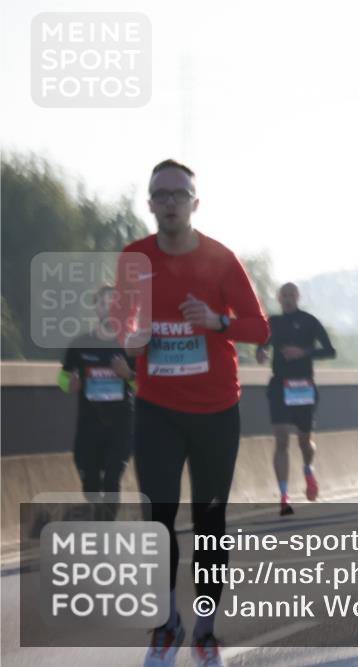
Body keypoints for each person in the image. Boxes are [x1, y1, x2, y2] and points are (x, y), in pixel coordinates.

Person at [114, 159, 271, 667]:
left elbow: (259, 329)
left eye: (180, 194)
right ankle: (166, 624)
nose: (171, 202)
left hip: (215, 410)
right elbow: (121, 320)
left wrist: (217, 320)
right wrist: (130, 337)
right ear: (151, 203)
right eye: (162, 194)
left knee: (209, 520)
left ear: (195, 203)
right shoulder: (134, 257)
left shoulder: (222, 259)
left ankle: (205, 629)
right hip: (157, 409)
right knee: (156, 520)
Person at [256, 282, 336, 516]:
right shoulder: (273, 322)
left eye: (292, 295)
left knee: (304, 441)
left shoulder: (310, 321)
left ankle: (308, 470)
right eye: (284, 295)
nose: (288, 299)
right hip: (280, 386)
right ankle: (284, 495)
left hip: (303, 387)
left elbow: (330, 351)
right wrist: (261, 353)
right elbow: (262, 348)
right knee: (281, 440)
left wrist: (304, 352)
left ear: (298, 297)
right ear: (279, 298)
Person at [59, 285, 135, 516]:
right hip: (89, 425)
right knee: (90, 485)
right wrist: (69, 385)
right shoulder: (80, 344)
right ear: (96, 309)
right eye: (102, 304)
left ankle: (106, 531)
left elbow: (145, 387)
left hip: (120, 425)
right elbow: (64, 378)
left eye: (113, 304)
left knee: (111, 481)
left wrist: (128, 375)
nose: (107, 309)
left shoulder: (131, 346)